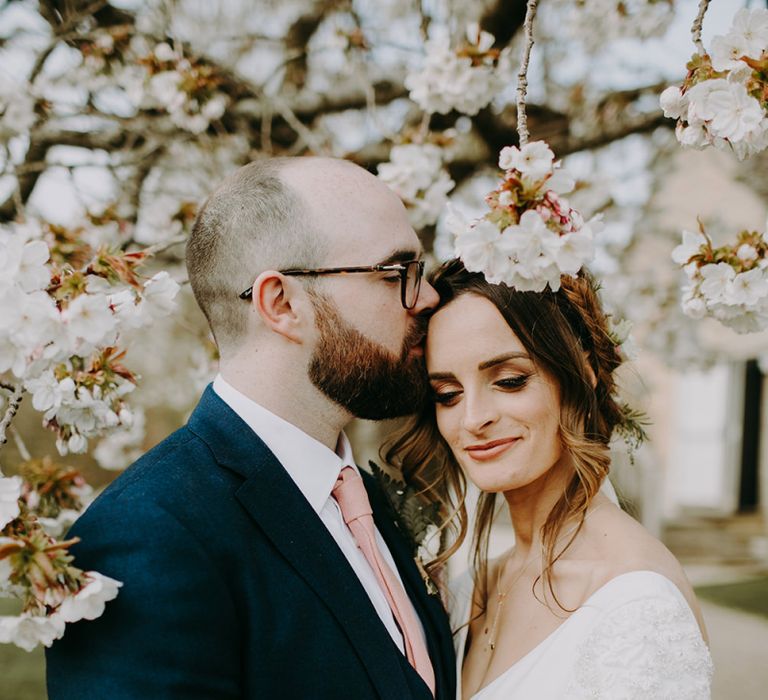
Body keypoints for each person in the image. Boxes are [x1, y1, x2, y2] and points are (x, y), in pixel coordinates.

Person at [46, 157, 457, 699]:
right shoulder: (143, 538)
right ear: (282, 303)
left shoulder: (371, 499)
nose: (427, 297)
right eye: (396, 273)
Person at [385, 259, 714, 699]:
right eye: (447, 394)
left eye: (509, 381)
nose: (473, 419)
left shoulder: (635, 607)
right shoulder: (474, 587)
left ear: (581, 372)